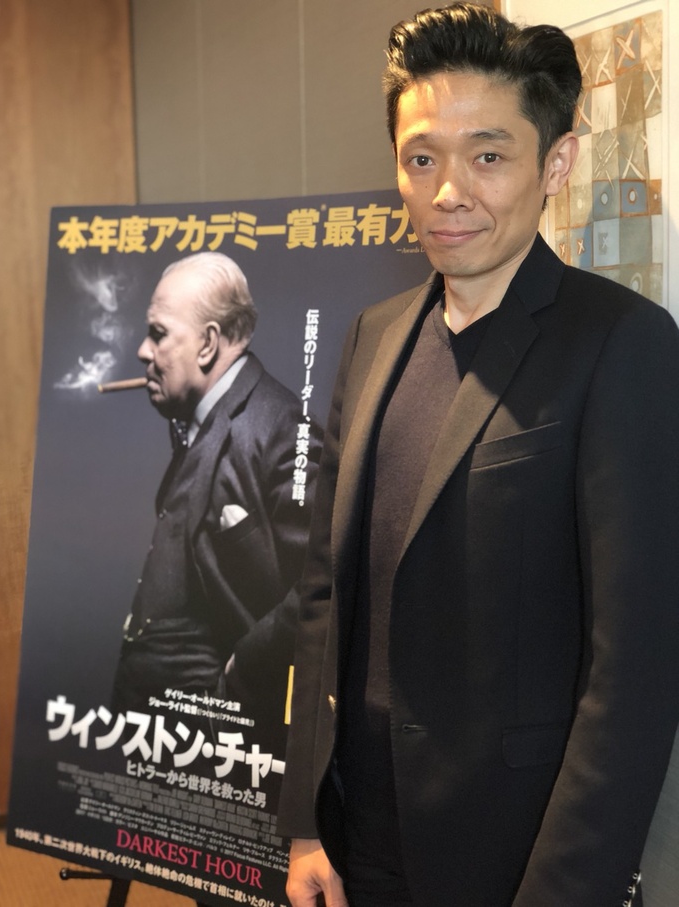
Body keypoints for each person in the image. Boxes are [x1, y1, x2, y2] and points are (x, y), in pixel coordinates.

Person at [277, 4, 679, 906]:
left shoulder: (620, 344)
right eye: (421, 159)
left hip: (512, 851)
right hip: (358, 837)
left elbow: (635, 670)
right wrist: (305, 820)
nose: (448, 191)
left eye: (488, 156)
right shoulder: (373, 336)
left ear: (556, 164)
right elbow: (322, 595)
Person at [112, 251, 322, 737]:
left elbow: (321, 582)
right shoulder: (198, 415)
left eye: (158, 333)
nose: (143, 351)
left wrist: (241, 670)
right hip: (154, 728)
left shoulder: (282, 430)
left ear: (207, 343)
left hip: (212, 736)